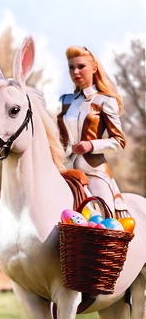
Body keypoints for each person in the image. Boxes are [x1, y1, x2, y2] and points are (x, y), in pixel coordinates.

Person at [57, 45, 130, 218]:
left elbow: (119, 141)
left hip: (94, 171)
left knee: (107, 215)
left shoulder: (106, 101)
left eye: (81, 66)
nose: (75, 72)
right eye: (71, 67)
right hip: (64, 169)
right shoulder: (64, 101)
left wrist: (91, 144)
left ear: (94, 68)